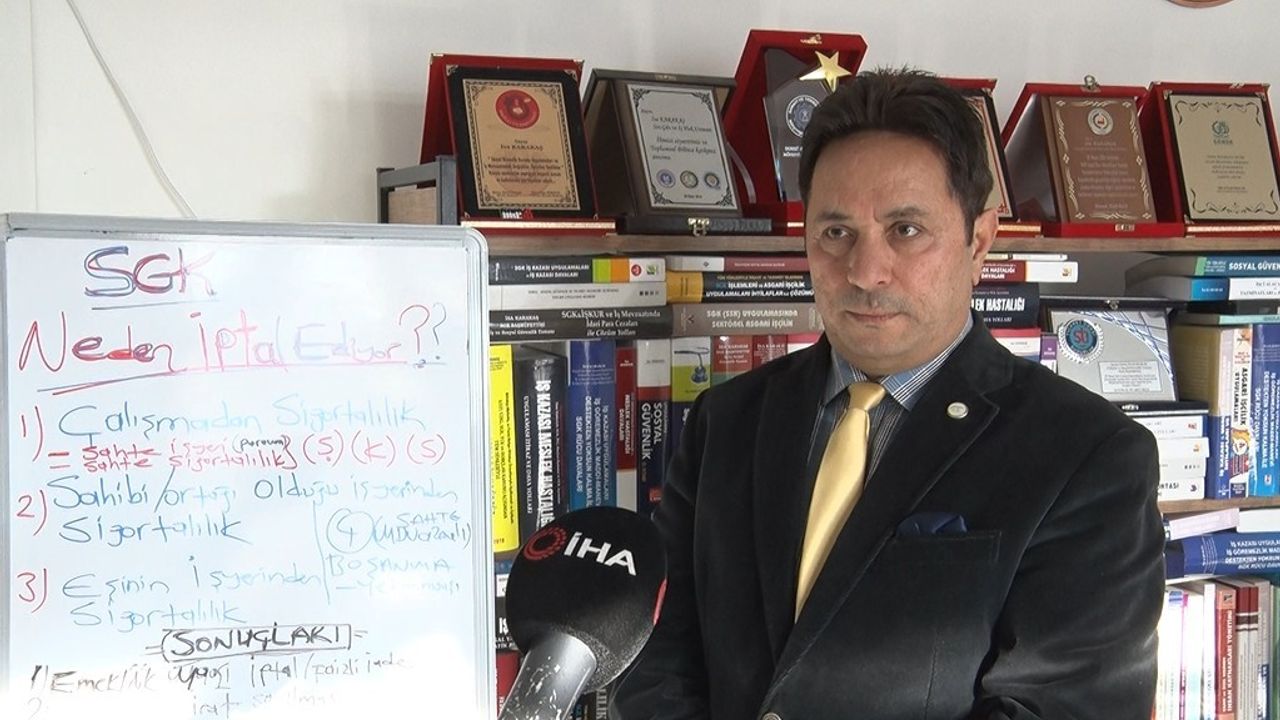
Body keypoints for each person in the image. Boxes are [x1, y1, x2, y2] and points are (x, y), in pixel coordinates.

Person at [612, 68, 1164, 720]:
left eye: (905, 230)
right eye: (836, 232)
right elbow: (657, 660)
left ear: (979, 240)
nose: (864, 272)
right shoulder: (728, 421)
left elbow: (1065, 709)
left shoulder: (1088, 457)